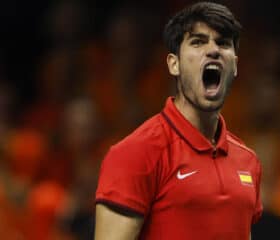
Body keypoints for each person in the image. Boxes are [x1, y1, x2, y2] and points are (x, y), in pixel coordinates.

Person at [94, 2, 262, 240]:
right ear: (174, 64)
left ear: (234, 64)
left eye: (223, 43)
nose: (213, 50)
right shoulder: (135, 153)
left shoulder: (248, 161)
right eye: (198, 42)